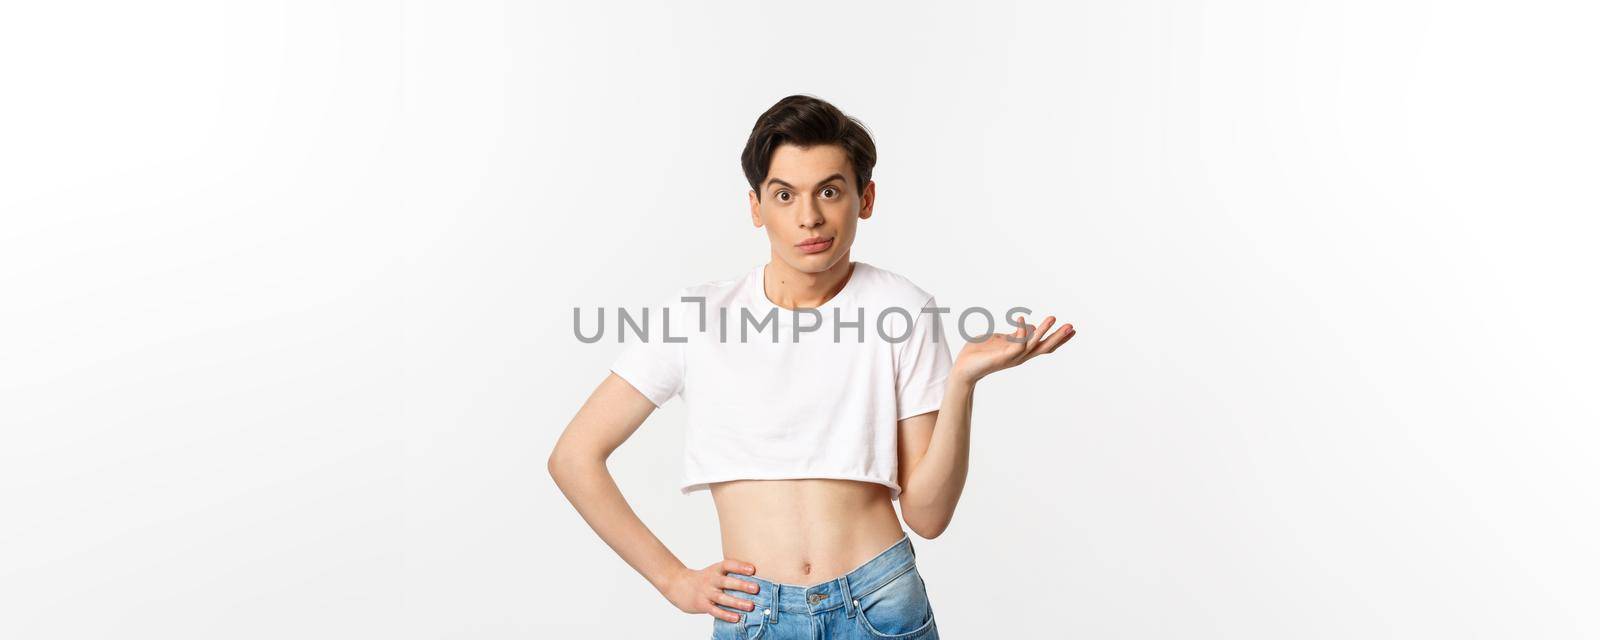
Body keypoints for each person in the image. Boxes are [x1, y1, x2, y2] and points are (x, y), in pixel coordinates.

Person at [549, 94, 1075, 639]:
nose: (810, 217)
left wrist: (963, 380)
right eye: (784, 195)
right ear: (756, 207)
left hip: (880, 602)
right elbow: (575, 456)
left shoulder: (903, 310)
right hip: (754, 613)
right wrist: (673, 579)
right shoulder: (696, 318)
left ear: (864, 198)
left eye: (830, 190)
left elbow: (928, 516)